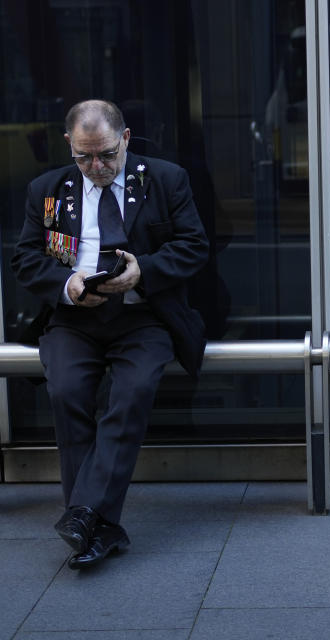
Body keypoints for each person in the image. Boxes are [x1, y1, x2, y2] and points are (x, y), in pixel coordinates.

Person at [11, 99, 209, 569]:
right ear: (69, 146)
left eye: (105, 154)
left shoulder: (165, 179)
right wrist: (67, 284)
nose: (95, 167)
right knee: (67, 392)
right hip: (73, 319)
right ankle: (99, 527)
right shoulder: (48, 189)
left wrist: (145, 271)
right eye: (84, 156)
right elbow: (25, 258)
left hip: (144, 316)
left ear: (125, 139)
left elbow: (194, 244)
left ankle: (83, 516)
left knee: (133, 391)